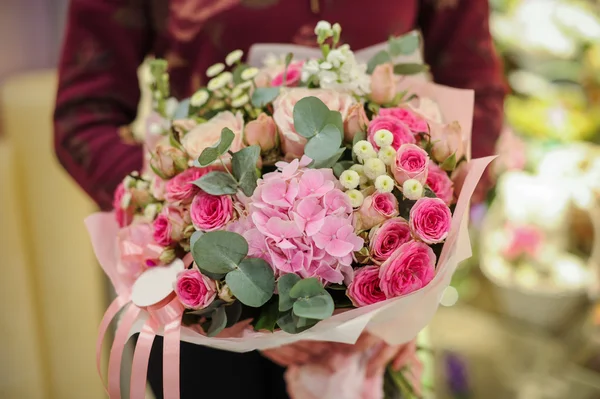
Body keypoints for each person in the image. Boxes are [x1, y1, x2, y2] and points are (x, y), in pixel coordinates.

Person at [54, 1, 506, 398]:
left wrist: (416, 268)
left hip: (379, 318)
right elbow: (85, 117)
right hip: (213, 312)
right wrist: (184, 225)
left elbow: (476, 87)